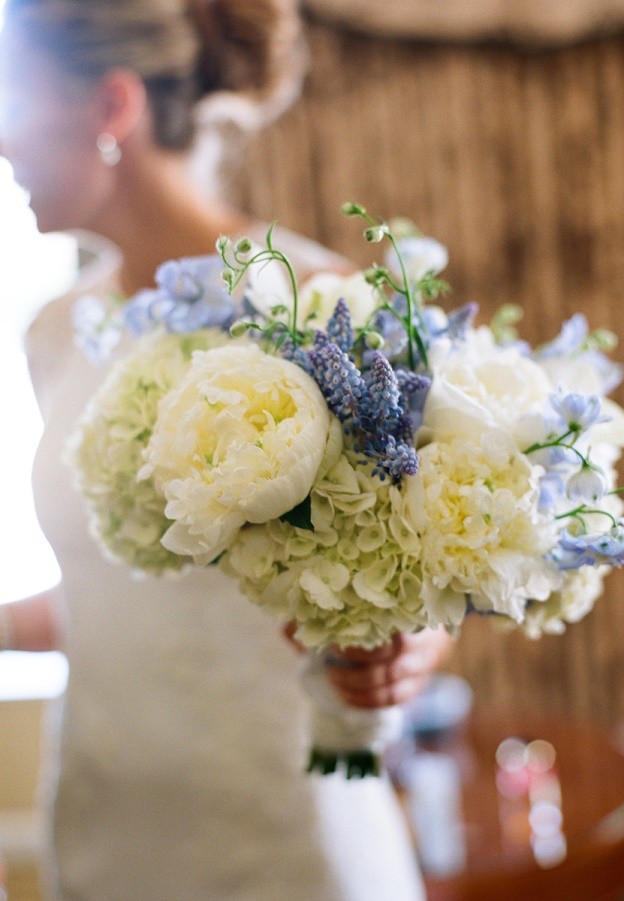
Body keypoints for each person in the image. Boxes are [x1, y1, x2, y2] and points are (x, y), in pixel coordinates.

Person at [0, 1, 453, 898]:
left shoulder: (319, 307)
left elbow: (424, 566)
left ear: (110, 109)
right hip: (103, 831)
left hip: (277, 836)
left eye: (14, 96)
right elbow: (115, 585)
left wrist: (407, 650)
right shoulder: (54, 329)